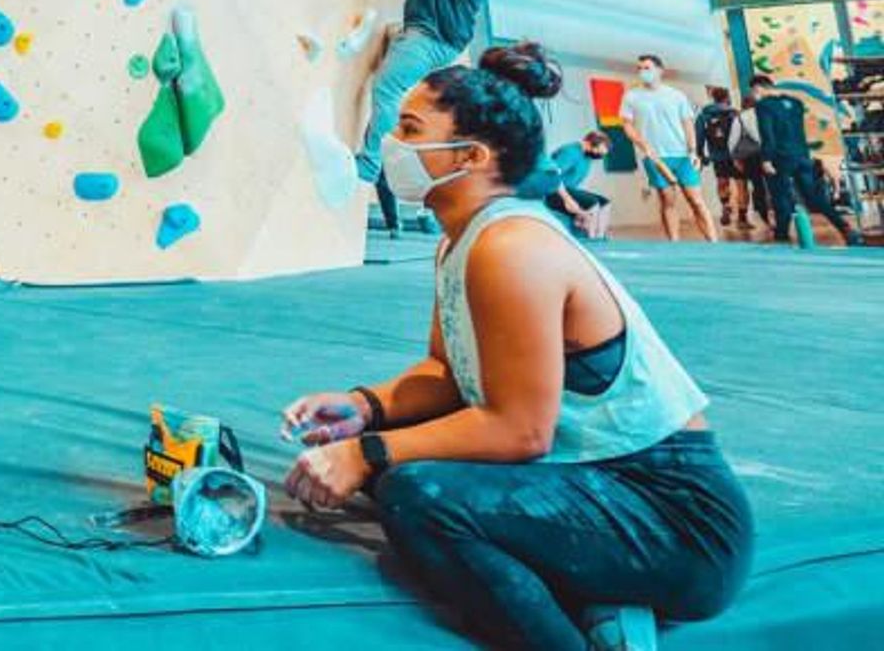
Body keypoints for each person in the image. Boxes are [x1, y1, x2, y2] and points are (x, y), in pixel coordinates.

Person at [282, 44, 752, 649]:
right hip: (593, 480)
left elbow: (522, 431)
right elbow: (446, 374)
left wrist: (368, 454)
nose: (393, 142)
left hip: (675, 521)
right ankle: (602, 599)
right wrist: (364, 409)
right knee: (382, 463)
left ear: (471, 156)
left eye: (409, 128)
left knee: (415, 491)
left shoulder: (511, 249)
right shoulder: (459, 242)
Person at [359, 0, 501, 234]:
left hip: (432, 34)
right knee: (397, 98)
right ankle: (397, 172)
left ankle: (369, 164)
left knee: (387, 88)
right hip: (429, 34)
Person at [745, 74, 861, 247]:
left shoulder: (763, 106)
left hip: (780, 158)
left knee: (781, 199)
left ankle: (782, 239)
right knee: (815, 197)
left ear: (757, 89)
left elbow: (767, 134)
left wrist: (766, 159)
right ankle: (844, 228)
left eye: (753, 92)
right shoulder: (795, 103)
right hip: (801, 155)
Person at [621, 54, 716, 242]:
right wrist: (642, 144)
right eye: (639, 69)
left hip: (682, 156)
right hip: (655, 157)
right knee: (667, 200)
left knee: (696, 201)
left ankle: (713, 242)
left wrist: (693, 151)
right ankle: (674, 244)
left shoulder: (676, 95)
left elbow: (688, 123)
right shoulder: (631, 96)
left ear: (659, 70)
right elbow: (627, 125)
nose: (642, 72)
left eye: (647, 68)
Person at [694, 87, 752, 231]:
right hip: (737, 156)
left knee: (722, 181)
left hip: (717, 156)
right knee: (741, 185)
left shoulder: (704, 116)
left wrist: (701, 155)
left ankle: (725, 206)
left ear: (713, 98)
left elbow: (699, 137)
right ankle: (742, 217)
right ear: (727, 98)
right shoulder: (735, 114)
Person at [539, 131, 610, 240]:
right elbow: (552, 176)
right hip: (552, 192)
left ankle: (599, 237)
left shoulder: (587, 157)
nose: (597, 155)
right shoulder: (570, 152)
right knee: (592, 203)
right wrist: (567, 199)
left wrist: (579, 211)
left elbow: (573, 185)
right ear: (588, 143)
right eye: (597, 151)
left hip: (568, 191)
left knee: (605, 203)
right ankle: (591, 240)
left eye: (600, 154)